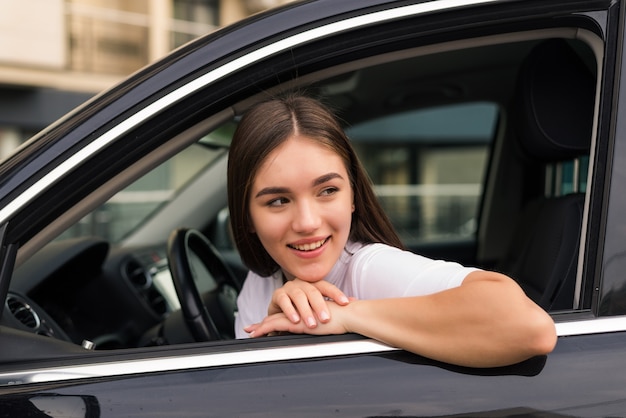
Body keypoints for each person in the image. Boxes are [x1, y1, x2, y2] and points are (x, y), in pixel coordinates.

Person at [227, 94, 557, 368]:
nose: (307, 222)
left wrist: (346, 315)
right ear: (248, 218)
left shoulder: (367, 269)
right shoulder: (262, 280)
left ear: (353, 196)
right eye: (278, 200)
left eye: (327, 191)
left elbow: (531, 328)